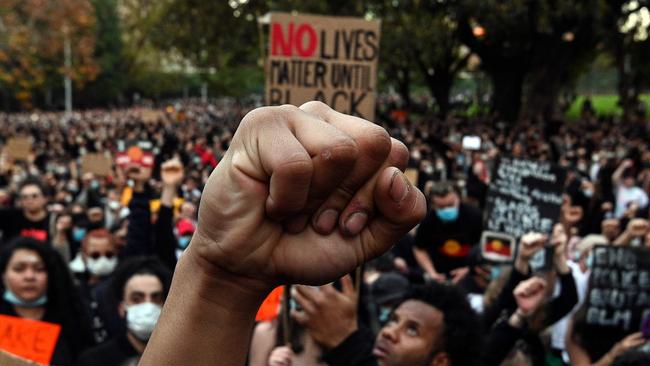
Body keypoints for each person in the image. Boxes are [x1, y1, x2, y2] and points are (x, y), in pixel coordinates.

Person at [139, 102, 427, 366]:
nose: (391, 333)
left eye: (413, 329)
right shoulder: (266, 336)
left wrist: (350, 346)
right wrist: (224, 281)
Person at [0, 237, 92, 365]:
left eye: (39, 269)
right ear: (3, 275)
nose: (29, 276)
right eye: (19, 269)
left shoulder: (72, 318)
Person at [76, 256, 171, 366]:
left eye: (156, 298)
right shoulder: (93, 361)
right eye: (136, 299)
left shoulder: (182, 356)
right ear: (122, 308)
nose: (148, 305)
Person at [413, 181, 483, 283]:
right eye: (441, 207)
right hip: (438, 273)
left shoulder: (474, 216)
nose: (447, 210)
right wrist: (432, 273)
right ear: (433, 205)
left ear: (458, 198)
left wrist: (468, 270)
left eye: (450, 205)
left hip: (467, 274)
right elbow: (419, 248)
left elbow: (482, 248)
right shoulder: (428, 220)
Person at [0, 178, 51, 243]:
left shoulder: (53, 221)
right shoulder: (9, 216)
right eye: (24, 197)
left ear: (45, 199)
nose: (29, 200)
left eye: (34, 196)